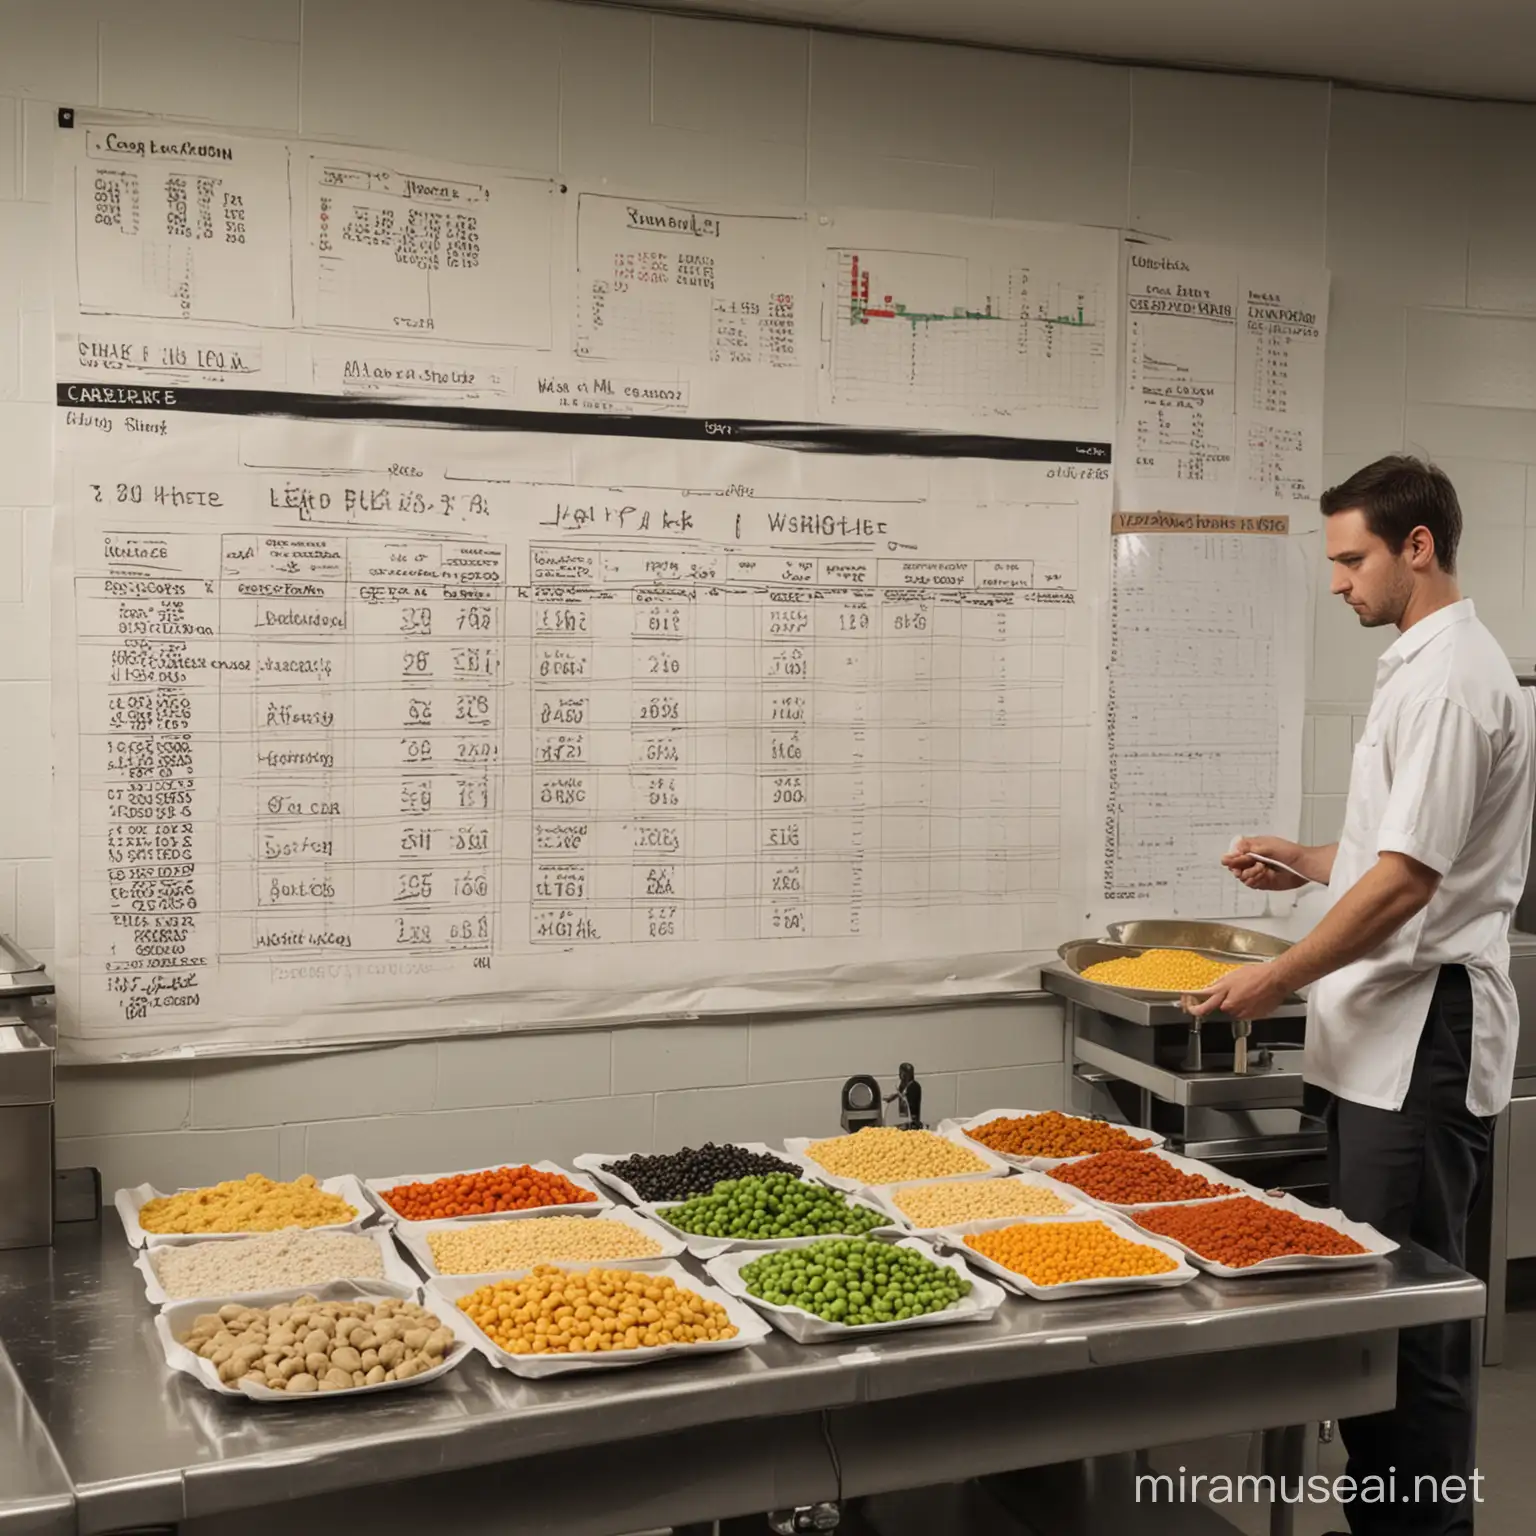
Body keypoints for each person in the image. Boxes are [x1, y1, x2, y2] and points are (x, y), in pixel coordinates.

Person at [1184, 456, 1535, 1536]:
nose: (1338, 583)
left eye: (1352, 559)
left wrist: (1275, 978)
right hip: (1378, 1032)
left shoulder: (1451, 680)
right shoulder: (1420, 665)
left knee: (1410, 1330)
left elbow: (1411, 882)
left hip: (1418, 1040)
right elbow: (1394, 850)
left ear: (1416, 547)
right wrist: (1302, 856)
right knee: (1371, 1312)